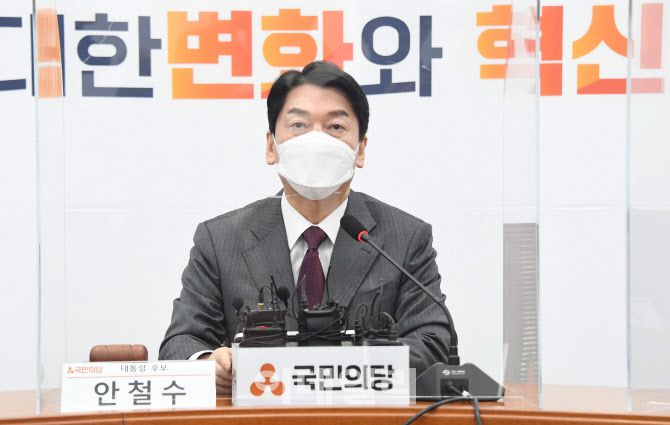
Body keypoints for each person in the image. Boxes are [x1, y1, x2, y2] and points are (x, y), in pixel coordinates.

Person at [159, 61, 454, 394]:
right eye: (298, 125)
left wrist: (331, 369)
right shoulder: (220, 239)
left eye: (335, 126)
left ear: (360, 150)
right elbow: (181, 342)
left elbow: (431, 342)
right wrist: (208, 364)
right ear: (271, 146)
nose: (316, 141)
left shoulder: (404, 237)